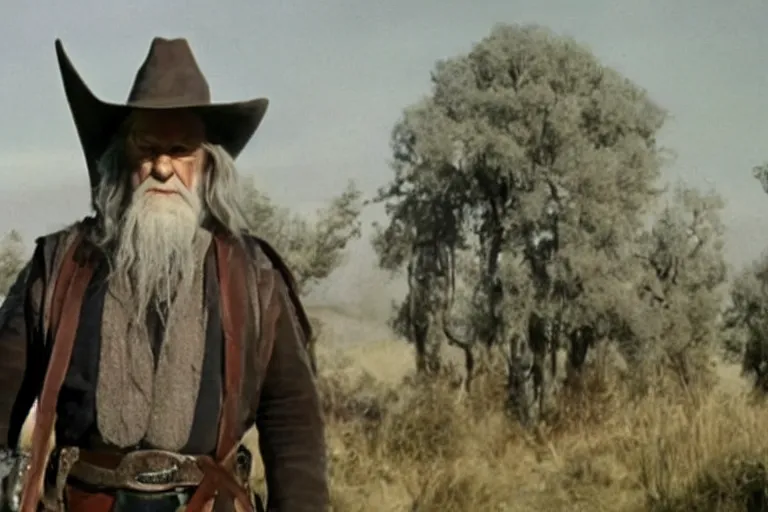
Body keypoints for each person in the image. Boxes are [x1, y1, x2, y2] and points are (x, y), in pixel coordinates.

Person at [0, 37, 329, 512]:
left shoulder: (254, 277)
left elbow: (293, 425)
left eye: (180, 150)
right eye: (147, 147)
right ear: (120, 159)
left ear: (208, 167)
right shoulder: (60, 265)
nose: (162, 167)